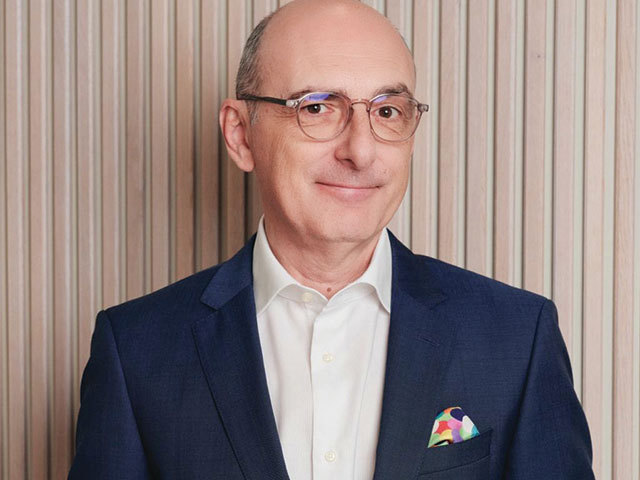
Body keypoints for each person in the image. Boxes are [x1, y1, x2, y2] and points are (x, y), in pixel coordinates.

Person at [69, 0, 594, 478]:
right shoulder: (135, 353)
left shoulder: (518, 339)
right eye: (317, 107)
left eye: (387, 111)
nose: (360, 151)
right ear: (241, 134)